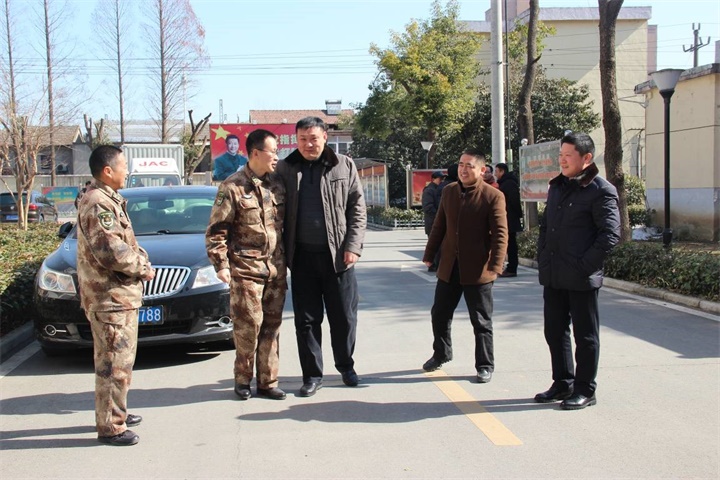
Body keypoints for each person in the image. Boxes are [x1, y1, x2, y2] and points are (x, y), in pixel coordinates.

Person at [276, 117, 367, 397]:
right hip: (302, 258)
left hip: (338, 258)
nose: (308, 144)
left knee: (344, 317)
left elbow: (357, 208)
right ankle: (312, 375)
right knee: (306, 321)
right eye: (302, 139)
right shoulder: (285, 168)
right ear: (296, 140)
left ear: (325, 137)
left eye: (313, 138)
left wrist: (353, 246)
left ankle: (346, 366)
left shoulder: (343, 165)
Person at [76, 145, 155, 446]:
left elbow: (124, 242)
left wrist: (140, 257)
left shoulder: (107, 199)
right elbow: (111, 251)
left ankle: (116, 411)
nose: (127, 171)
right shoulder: (98, 202)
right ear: (107, 171)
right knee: (112, 365)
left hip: (118, 297)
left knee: (120, 362)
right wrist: (142, 267)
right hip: (110, 298)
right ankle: (111, 426)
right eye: (124, 166)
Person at [535, 132, 620, 410]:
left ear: (586, 158)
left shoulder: (601, 190)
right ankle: (563, 382)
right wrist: (543, 258)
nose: (562, 160)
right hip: (554, 274)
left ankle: (585, 389)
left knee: (585, 337)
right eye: (560, 155)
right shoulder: (557, 186)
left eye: (568, 156)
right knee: (554, 331)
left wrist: (584, 266)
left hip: (582, 277)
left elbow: (610, 235)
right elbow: (546, 227)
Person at [206, 129, 288, 401]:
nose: (276, 157)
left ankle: (268, 381)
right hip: (245, 271)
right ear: (255, 153)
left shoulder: (277, 185)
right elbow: (217, 231)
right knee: (248, 328)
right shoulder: (232, 186)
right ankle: (243, 379)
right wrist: (221, 265)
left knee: (272, 328)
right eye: (272, 151)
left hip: (275, 270)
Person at [421, 148, 508, 383]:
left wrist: (496, 264)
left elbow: (500, 234)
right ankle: (441, 353)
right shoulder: (449, 191)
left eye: (469, 166)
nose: (463, 169)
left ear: (482, 170)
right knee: (439, 314)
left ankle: (485, 365)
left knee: (481, 321)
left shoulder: (492, 196)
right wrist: (430, 253)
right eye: (461, 165)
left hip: (478, 269)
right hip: (449, 266)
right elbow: (439, 225)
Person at [495, 163, 523, 278]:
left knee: (511, 244)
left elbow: (515, 201)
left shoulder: (509, 184)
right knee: (508, 243)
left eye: (497, 171)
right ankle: (509, 267)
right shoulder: (504, 183)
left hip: (510, 218)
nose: (495, 174)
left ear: (502, 171)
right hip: (507, 217)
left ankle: (512, 268)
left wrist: (518, 215)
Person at [421, 171, 445, 272]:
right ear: (433, 179)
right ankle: (433, 264)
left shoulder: (439, 189)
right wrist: (439, 216)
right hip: (432, 222)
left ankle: (436, 264)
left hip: (437, 221)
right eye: (440, 179)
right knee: (434, 243)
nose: (441, 181)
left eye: (442, 179)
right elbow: (428, 207)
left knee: (439, 244)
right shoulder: (429, 190)